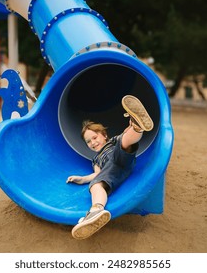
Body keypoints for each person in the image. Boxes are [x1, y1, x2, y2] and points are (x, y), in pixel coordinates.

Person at [66, 95, 154, 239]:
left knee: (124, 141)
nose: (93, 143)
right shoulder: (95, 160)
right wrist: (81, 179)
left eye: (95, 137)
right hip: (112, 173)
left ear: (104, 135)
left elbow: (124, 141)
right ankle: (96, 211)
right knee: (96, 184)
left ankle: (137, 126)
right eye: (88, 142)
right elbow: (96, 175)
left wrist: (129, 130)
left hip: (120, 157)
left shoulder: (111, 142)